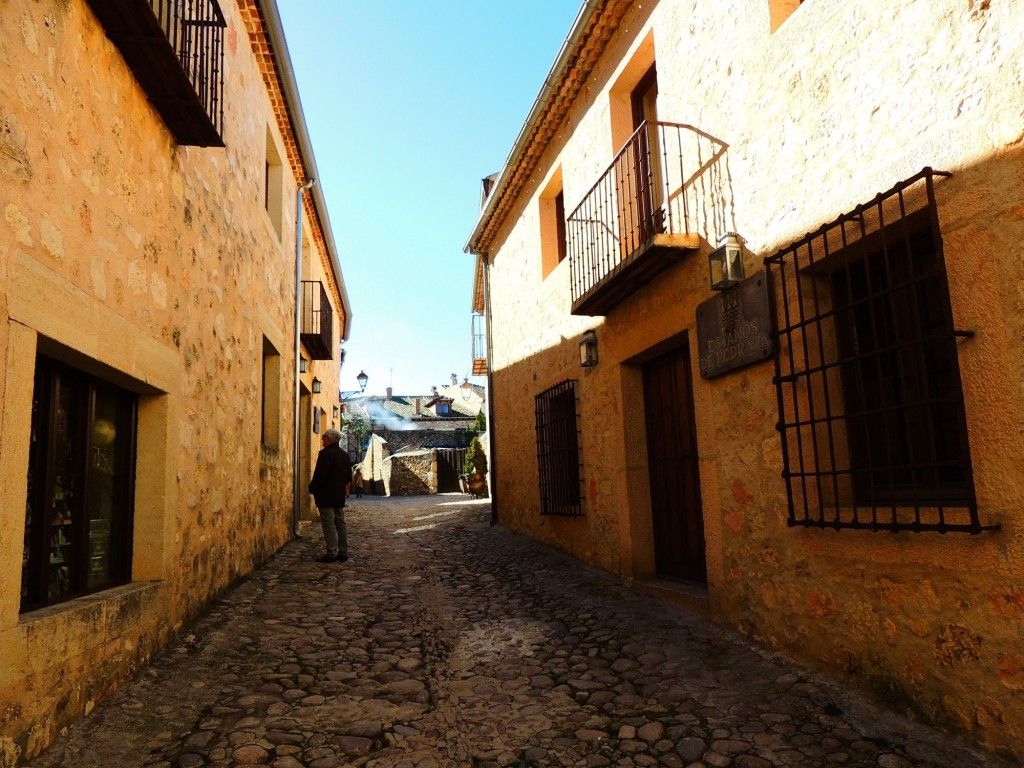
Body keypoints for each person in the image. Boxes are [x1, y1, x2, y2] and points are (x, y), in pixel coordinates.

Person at [308, 428, 352, 563]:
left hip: (326, 495)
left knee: (328, 524)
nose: (322, 439)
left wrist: (312, 488)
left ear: (330, 439)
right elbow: (348, 477)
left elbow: (319, 476)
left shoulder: (325, 455)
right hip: (338, 495)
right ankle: (343, 552)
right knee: (340, 523)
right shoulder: (345, 455)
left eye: (324, 437)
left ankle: (332, 552)